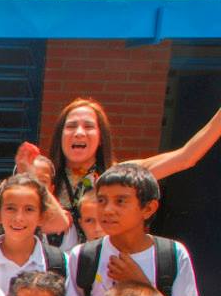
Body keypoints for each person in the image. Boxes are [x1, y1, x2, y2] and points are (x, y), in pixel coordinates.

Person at [69, 163, 201, 296]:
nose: (108, 210)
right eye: (102, 200)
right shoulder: (83, 255)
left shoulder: (172, 254)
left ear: (148, 208)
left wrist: (142, 285)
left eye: (120, 201)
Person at [47, 97, 221, 243]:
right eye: (70, 126)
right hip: (49, 278)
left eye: (88, 126)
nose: (78, 132)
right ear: (60, 135)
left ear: (101, 137)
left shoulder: (121, 176)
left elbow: (186, 157)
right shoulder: (43, 177)